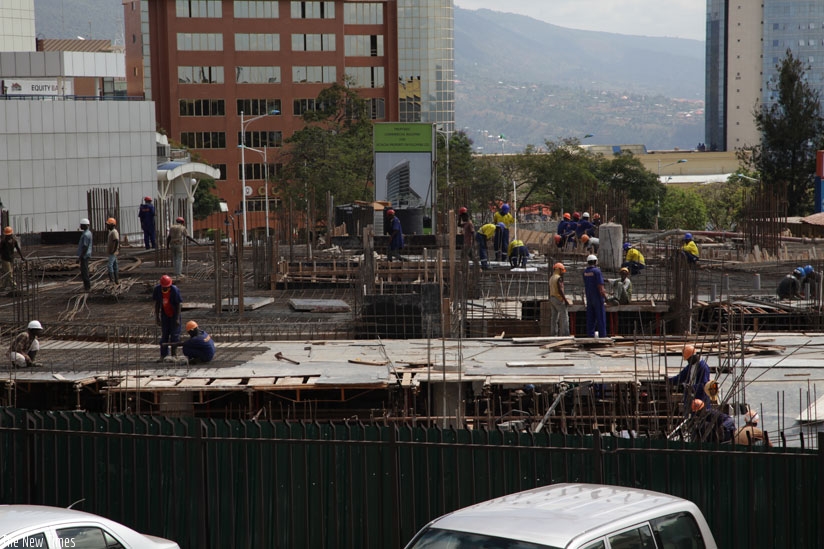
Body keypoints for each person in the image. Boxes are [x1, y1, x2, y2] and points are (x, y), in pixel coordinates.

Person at [669, 344, 711, 414]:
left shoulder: (703, 367)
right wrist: (670, 380)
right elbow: (681, 377)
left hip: (700, 398)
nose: (688, 361)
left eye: (688, 359)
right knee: (689, 417)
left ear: (694, 356)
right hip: (690, 397)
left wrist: (692, 387)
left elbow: (704, 385)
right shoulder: (690, 366)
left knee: (700, 418)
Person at [153, 275, 182, 360]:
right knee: (164, 335)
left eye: (167, 287)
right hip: (165, 314)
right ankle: (163, 355)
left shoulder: (174, 290)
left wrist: (177, 318)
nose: (165, 289)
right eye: (164, 287)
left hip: (174, 314)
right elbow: (157, 304)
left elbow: (178, 305)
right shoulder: (157, 290)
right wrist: (157, 317)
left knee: (175, 335)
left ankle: (174, 355)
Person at [582, 254, 607, 337]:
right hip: (597, 297)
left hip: (589, 297)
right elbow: (600, 286)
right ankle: (602, 336)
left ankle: (590, 335)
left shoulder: (585, 272)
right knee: (600, 318)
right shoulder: (597, 271)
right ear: (595, 262)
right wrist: (605, 297)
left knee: (590, 318)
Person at [548, 262, 571, 336]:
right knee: (564, 317)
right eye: (562, 270)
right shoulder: (559, 278)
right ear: (559, 269)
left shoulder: (551, 278)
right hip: (558, 299)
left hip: (552, 298)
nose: (562, 273)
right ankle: (566, 334)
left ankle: (553, 334)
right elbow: (560, 290)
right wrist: (565, 300)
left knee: (554, 318)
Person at [0, 226, 25, 291]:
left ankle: (2, 286)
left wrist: (22, 257)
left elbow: (18, 249)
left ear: (11, 234)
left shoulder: (14, 241)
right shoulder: (3, 242)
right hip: (5, 259)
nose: (8, 236)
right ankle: (14, 285)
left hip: (11, 259)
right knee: (9, 272)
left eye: (9, 235)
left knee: (7, 273)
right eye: (7, 235)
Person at [77, 218, 93, 292]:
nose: (80, 226)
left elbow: (85, 247)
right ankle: (87, 286)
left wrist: (80, 257)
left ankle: (87, 287)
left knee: (84, 271)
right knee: (84, 271)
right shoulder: (88, 233)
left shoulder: (86, 234)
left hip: (84, 256)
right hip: (85, 255)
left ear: (85, 225)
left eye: (81, 225)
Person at [106, 217, 120, 284]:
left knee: (110, 265)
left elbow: (116, 240)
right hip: (112, 252)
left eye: (108, 224)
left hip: (113, 252)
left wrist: (114, 250)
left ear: (112, 225)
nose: (107, 226)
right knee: (115, 265)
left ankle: (112, 280)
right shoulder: (111, 232)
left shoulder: (114, 232)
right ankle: (116, 280)